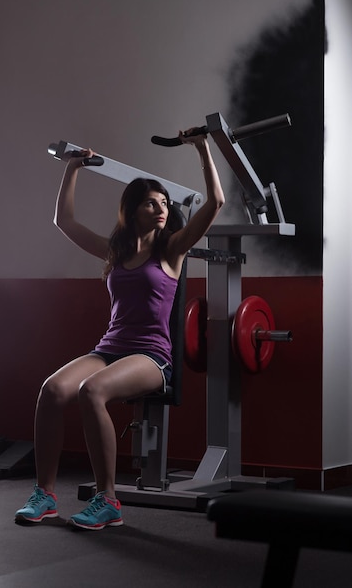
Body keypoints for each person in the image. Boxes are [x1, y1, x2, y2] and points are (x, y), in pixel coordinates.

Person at [15, 128, 225, 530]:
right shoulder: (117, 252)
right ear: (132, 209)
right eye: (151, 202)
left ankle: (107, 498)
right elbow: (64, 221)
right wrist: (73, 168)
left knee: (91, 391)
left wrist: (202, 148)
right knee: (52, 390)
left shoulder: (172, 249)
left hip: (150, 356)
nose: (161, 208)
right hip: (109, 348)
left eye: (164, 203)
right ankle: (45, 495)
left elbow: (215, 201)